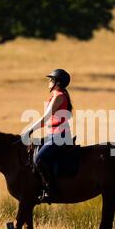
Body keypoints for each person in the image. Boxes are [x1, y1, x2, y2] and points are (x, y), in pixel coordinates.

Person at [22, 69, 74, 203]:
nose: (49, 82)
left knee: (39, 159)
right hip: (53, 135)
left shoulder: (59, 97)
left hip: (59, 137)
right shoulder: (58, 95)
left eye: (51, 80)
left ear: (57, 83)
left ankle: (50, 190)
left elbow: (45, 118)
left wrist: (29, 130)